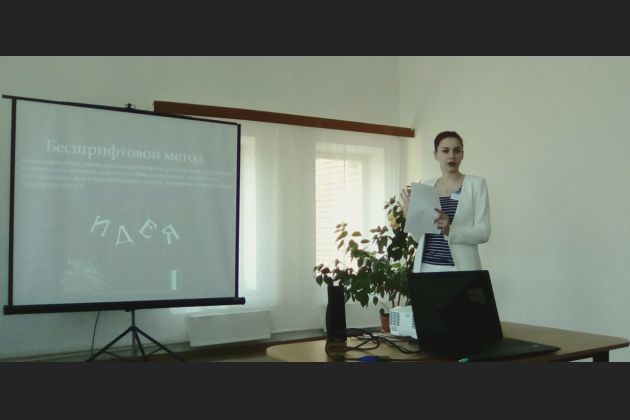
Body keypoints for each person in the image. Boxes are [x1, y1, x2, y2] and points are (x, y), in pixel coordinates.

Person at [400, 131, 490, 273]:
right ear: (436, 155)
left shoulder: (476, 184)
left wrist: (450, 230)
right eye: (445, 151)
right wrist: (411, 218)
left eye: (456, 151)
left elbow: (483, 233)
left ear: (462, 155)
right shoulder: (426, 186)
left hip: (460, 269)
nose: (451, 155)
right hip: (426, 268)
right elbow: (419, 238)